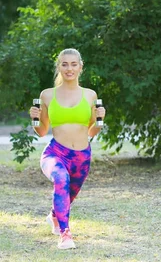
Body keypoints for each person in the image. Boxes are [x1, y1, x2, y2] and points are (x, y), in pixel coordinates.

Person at [29, 48, 106, 249]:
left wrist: (100, 120)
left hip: (82, 156)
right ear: (59, 67)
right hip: (55, 153)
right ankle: (65, 234)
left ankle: (54, 216)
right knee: (61, 179)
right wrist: (34, 119)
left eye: (73, 64)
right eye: (64, 64)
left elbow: (91, 131)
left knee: (69, 194)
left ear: (80, 67)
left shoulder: (90, 95)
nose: (69, 68)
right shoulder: (47, 95)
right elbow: (42, 130)